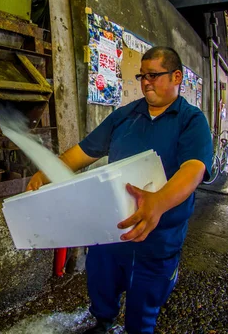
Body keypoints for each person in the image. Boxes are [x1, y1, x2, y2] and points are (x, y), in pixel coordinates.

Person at [27, 46, 213, 334]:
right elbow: (83, 152)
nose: (146, 82)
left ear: (177, 77)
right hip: (110, 229)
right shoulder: (125, 116)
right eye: (142, 75)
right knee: (101, 285)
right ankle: (104, 322)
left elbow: (193, 169)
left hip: (158, 236)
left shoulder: (191, 120)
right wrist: (47, 171)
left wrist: (159, 203)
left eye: (154, 75)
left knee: (144, 307)